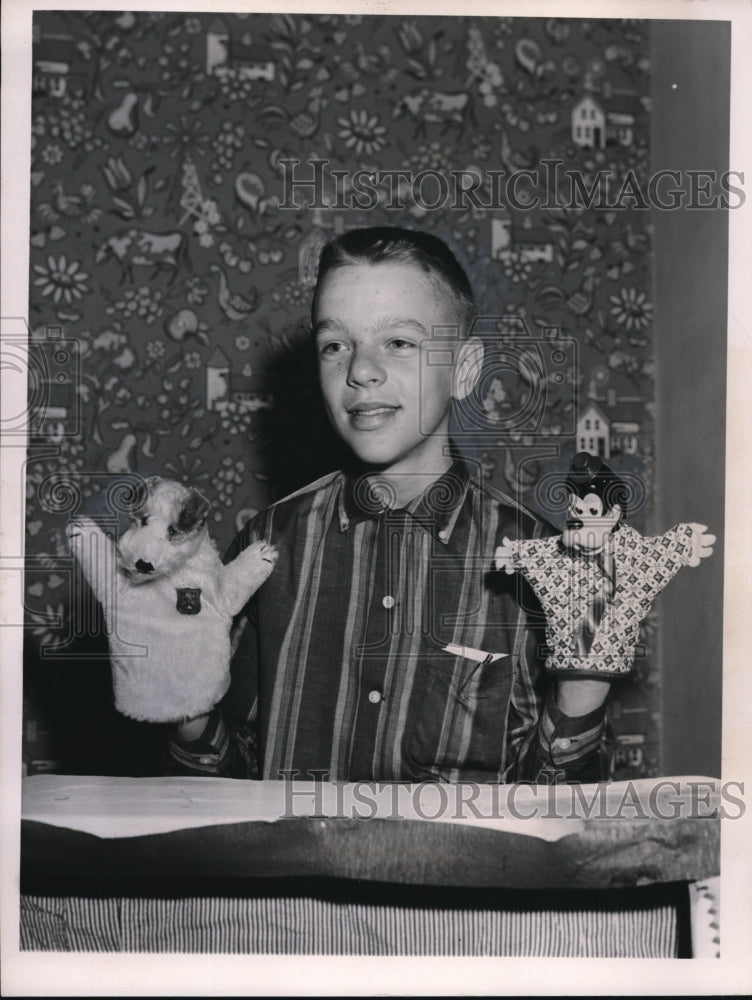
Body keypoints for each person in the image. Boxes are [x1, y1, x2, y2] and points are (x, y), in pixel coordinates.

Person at [167, 227, 611, 783]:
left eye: (399, 342)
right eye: (336, 345)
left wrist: (584, 687)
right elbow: (229, 785)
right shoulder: (267, 546)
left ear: (466, 369)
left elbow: (561, 808)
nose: (360, 370)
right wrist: (188, 710)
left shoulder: (542, 562)